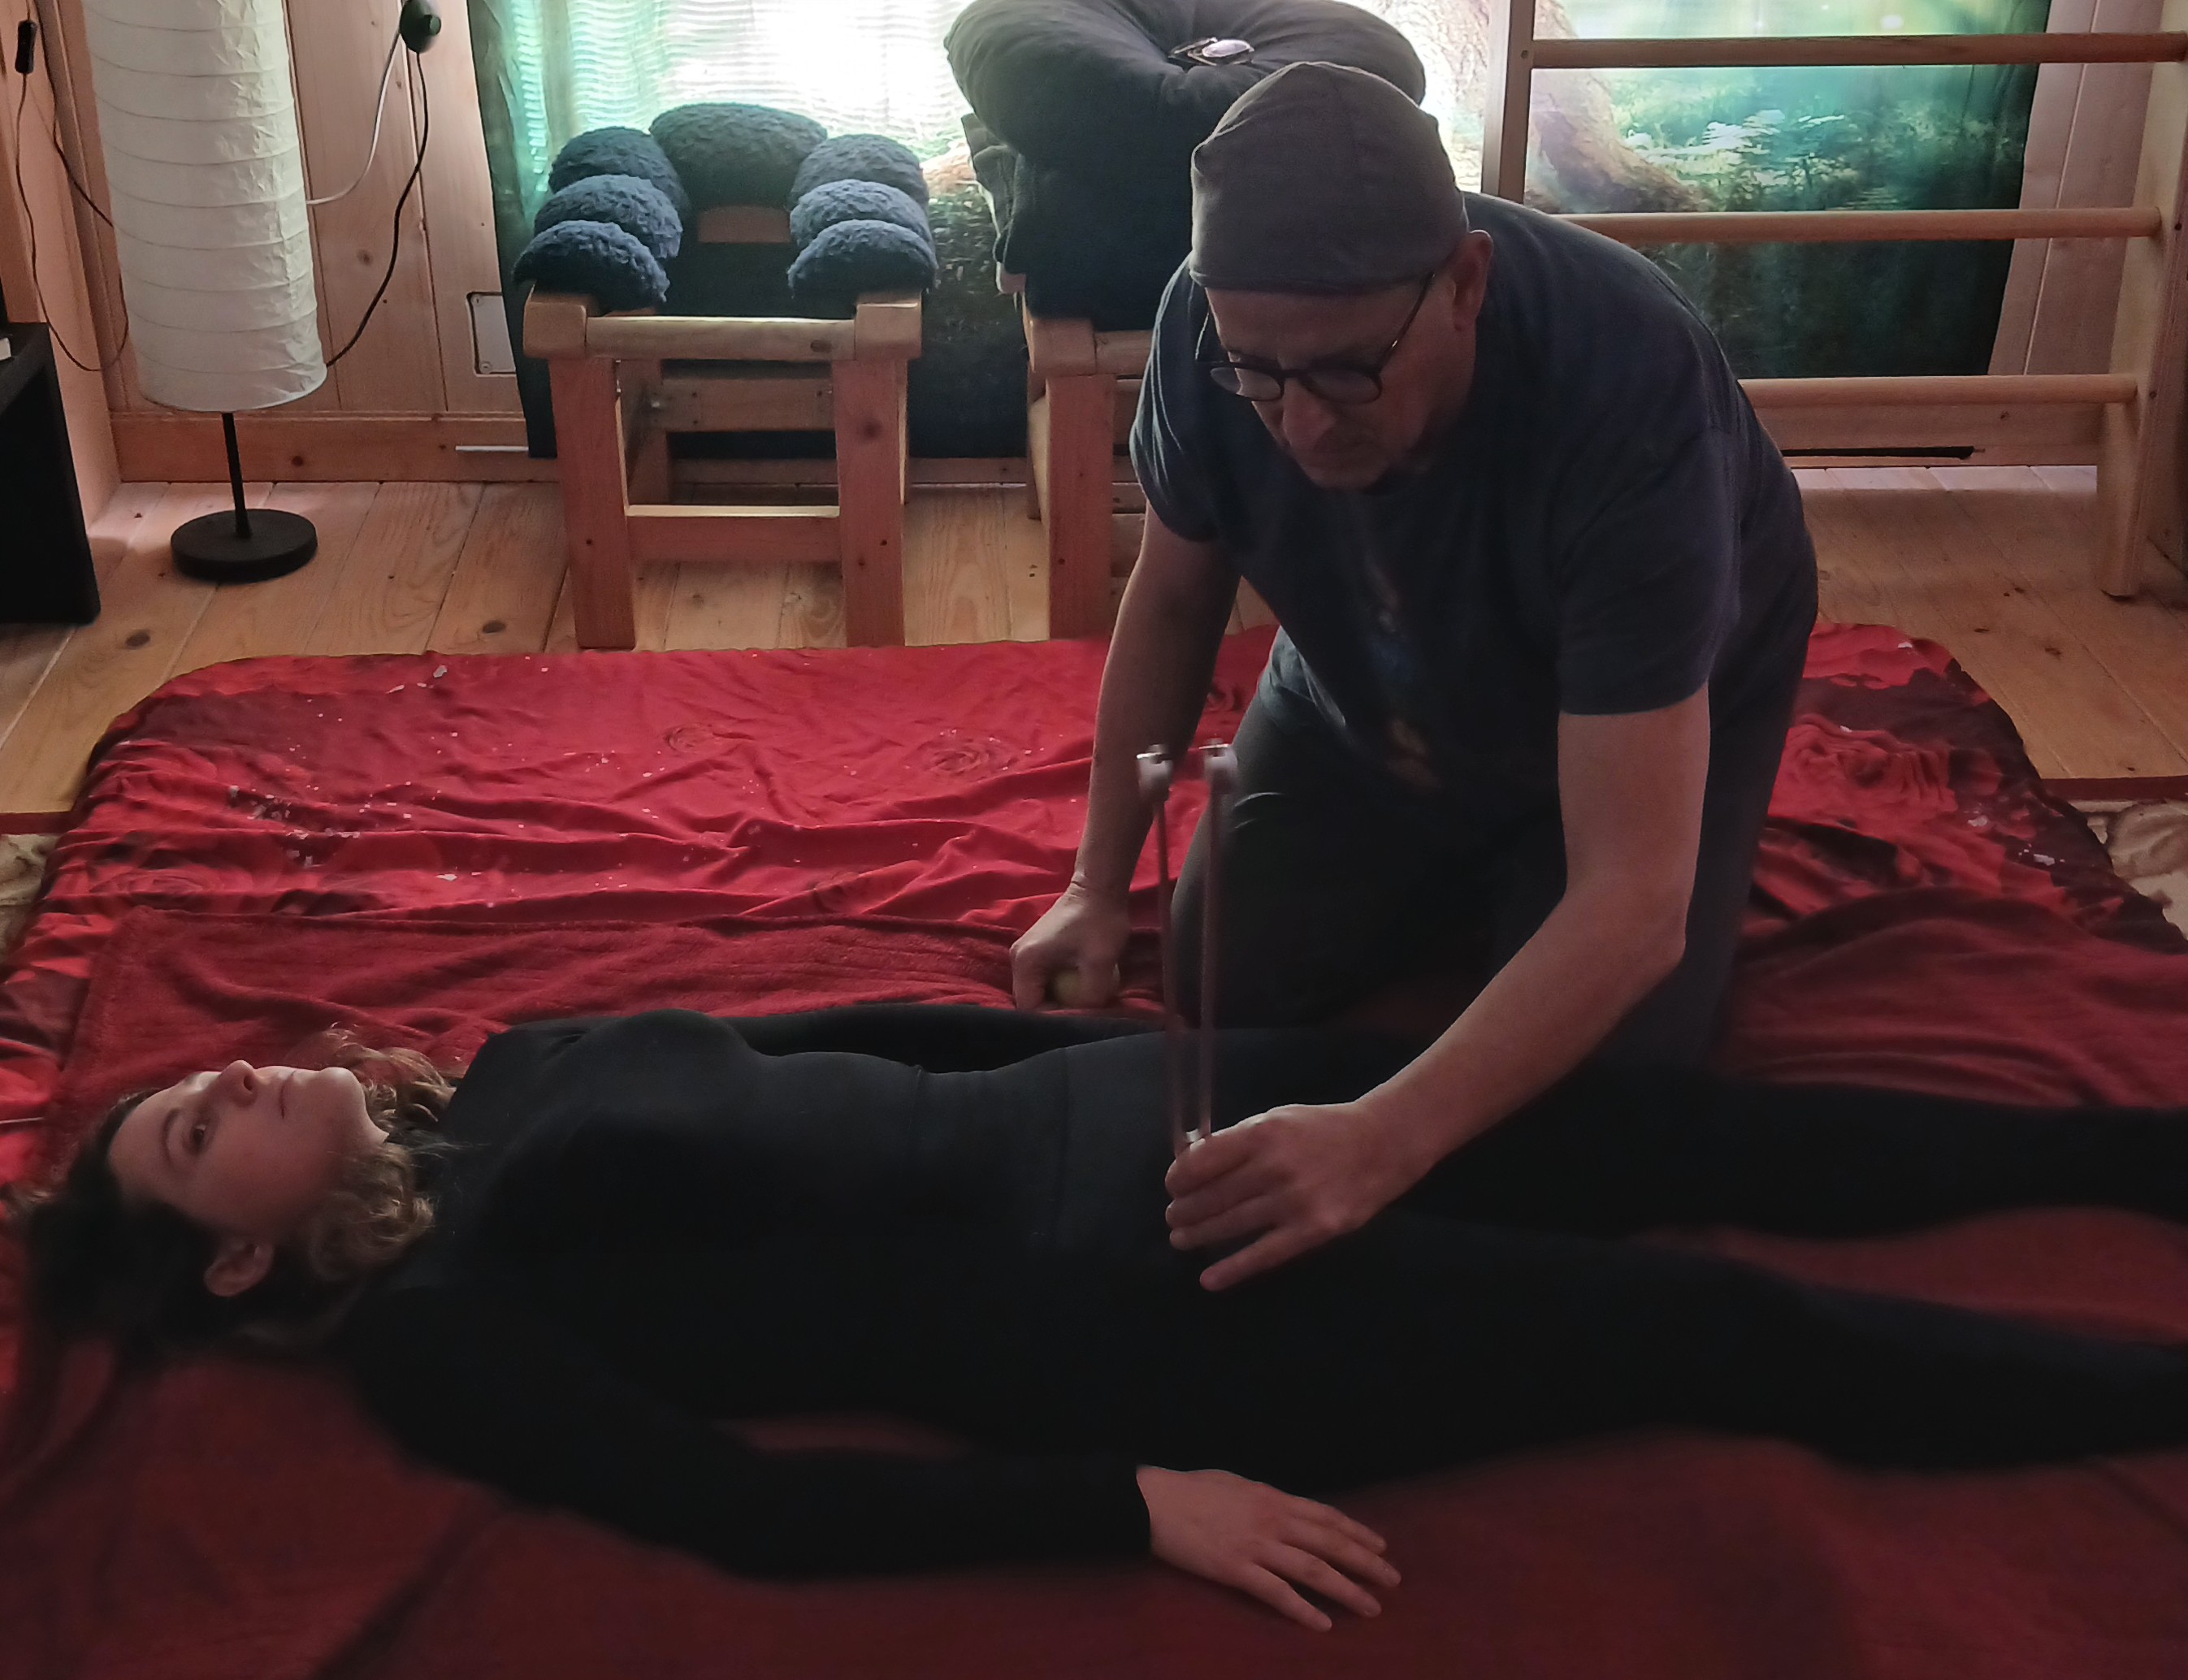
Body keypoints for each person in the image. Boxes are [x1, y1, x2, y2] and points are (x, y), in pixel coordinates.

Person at [13, 1005, 2188, 1631]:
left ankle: (2136, 1153)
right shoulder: (435, 1326)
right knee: (1701, 1318)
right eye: (200, 1134)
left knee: (1650, 1121)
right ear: (238, 1262)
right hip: (1133, 1303)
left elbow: (862, 1034)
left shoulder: (501, 1064)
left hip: (1149, 1101)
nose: (237, 1077)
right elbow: (731, 1509)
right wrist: (1129, 1500)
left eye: (205, 1080)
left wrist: (1137, 1036)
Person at [1011, 62, 1822, 1292]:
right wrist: (1093, 884)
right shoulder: (1206, 327)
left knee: (1605, 1091)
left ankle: (1506, 859)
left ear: (1466, 287)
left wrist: (1382, 1141)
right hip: (1375, 661)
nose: (1300, 424)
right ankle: (1463, 866)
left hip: (1631, 700)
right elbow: (1173, 600)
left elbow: (1634, 900)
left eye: (1347, 369)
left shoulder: (1631, 390)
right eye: (1258, 374)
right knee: (1221, 973)